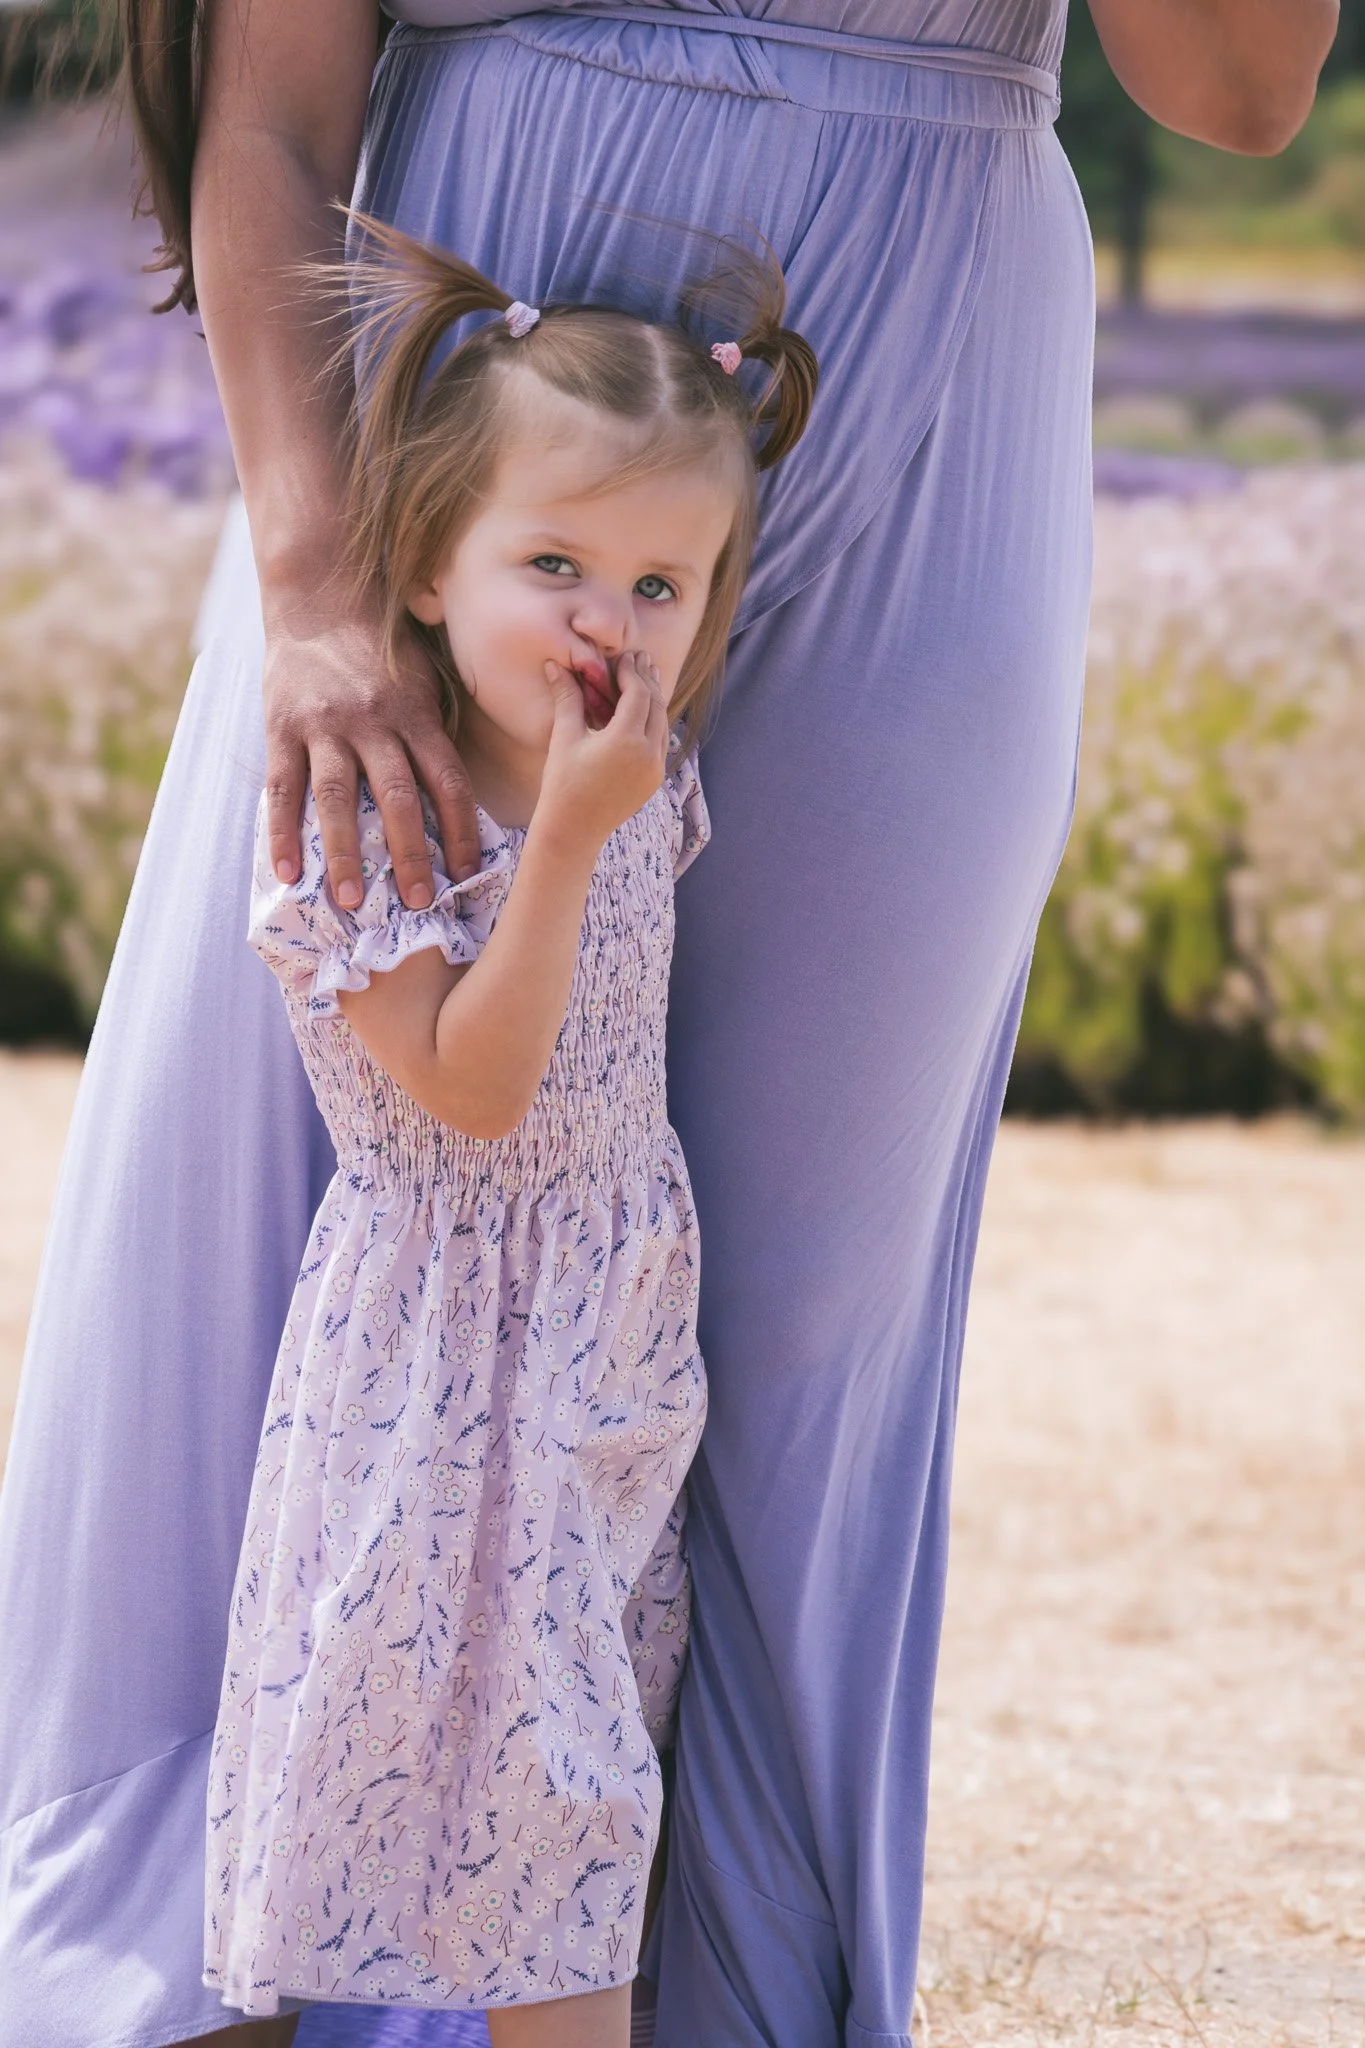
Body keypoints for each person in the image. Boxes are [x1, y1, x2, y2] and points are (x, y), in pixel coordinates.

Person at [0, 5, 1338, 2048]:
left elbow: (1233, 99)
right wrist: (315, 586)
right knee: (271, 1202)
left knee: (788, 1307)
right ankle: (165, 1982)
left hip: (933, 355)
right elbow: (268, 105)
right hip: (467, 363)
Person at [202, 219, 815, 2042]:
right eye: (552, 563)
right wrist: (563, 836)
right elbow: (469, 1088)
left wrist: (598, 810)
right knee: (451, 1780)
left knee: (578, 1782)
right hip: (439, 1363)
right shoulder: (351, 824)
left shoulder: (644, 777)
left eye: (661, 587)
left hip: (607, 1341)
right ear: (419, 569)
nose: (605, 627)